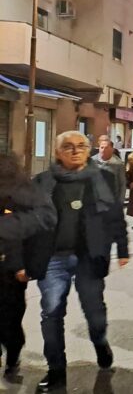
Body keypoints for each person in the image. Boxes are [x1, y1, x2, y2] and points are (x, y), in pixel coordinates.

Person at [27, 131, 129, 392]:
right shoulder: (41, 182)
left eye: (82, 146)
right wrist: (21, 260)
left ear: (89, 149)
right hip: (53, 258)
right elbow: (28, 223)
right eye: (68, 147)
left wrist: (123, 246)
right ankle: (56, 371)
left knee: (94, 312)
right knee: (51, 312)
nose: (75, 151)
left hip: (89, 255)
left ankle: (100, 340)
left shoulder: (103, 178)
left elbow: (115, 214)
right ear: (57, 152)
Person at [0, 153, 55, 379]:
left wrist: (27, 267)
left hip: (10, 267)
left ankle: (12, 354)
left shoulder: (22, 190)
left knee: (9, 317)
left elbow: (40, 228)